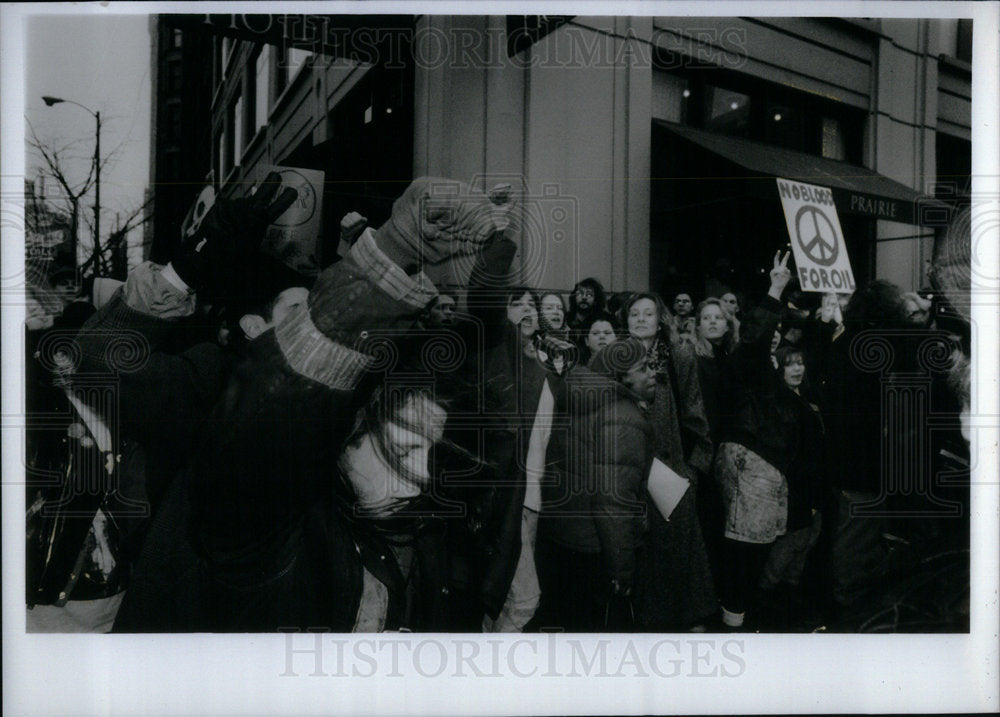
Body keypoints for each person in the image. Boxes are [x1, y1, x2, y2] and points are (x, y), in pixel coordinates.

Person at [106, 175, 515, 632]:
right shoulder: (266, 522)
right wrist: (186, 270)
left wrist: (492, 254)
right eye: (402, 451)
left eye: (426, 452)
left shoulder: (421, 532)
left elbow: (483, 358)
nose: (420, 477)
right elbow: (97, 367)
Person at [712, 251, 823, 630]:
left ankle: (740, 620)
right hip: (754, 460)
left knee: (755, 552)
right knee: (745, 552)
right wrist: (775, 288)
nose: (775, 334)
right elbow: (756, 335)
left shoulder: (773, 373)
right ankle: (733, 627)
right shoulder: (752, 365)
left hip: (770, 467)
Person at [535, 337, 655, 631]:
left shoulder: (577, 399)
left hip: (559, 539)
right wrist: (621, 570)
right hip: (595, 552)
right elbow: (612, 502)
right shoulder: (622, 415)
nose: (653, 373)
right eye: (643, 368)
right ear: (620, 377)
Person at [621, 292, 717, 631]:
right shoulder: (615, 358)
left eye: (649, 313)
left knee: (680, 548)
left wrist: (694, 468)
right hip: (631, 465)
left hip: (672, 468)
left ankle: (688, 620)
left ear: (661, 318)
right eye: (635, 313)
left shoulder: (679, 355)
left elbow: (695, 410)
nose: (642, 318)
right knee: (641, 551)